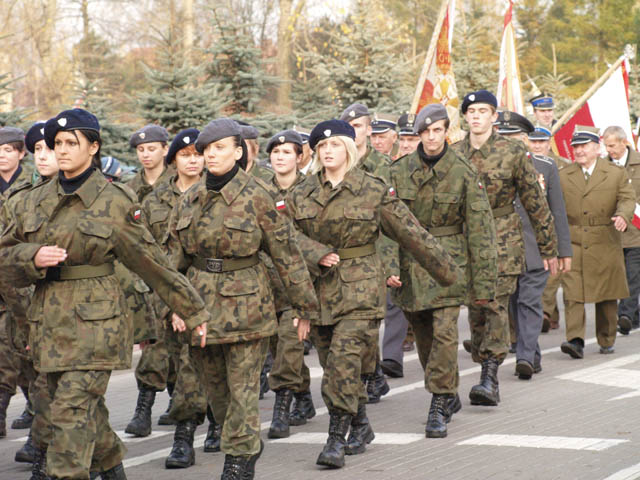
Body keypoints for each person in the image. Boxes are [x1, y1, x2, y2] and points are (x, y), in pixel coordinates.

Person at [0, 108, 212, 480]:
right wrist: (31, 256)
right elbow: (4, 256)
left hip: (96, 327)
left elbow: (152, 263)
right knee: (83, 413)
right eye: (57, 143)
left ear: (93, 147)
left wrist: (193, 311)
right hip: (48, 322)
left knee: (69, 413)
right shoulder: (31, 200)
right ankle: (112, 467)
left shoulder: (114, 201)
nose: (62, 150)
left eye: (71, 143)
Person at [287, 119, 461, 468]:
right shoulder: (300, 193)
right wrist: (313, 255)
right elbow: (284, 239)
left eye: (335, 145)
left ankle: (335, 438)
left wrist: (450, 274)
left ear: (348, 149)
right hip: (319, 291)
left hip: (361, 290)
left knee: (343, 363)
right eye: (322, 147)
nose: (328, 151)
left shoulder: (372, 189)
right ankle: (361, 424)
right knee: (332, 364)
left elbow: (410, 232)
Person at [168, 118, 319, 480]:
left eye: (220, 148)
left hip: (248, 308)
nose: (211, 155)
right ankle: (244, 442)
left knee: (243, 392)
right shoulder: (190, 199)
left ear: (238, 152)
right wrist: (175, 305)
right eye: (207, 149)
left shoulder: (258, 196)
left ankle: (238, 463)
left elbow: (287, 255)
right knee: (217, 394)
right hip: (202, 309)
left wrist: (304, 308)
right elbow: (172, 261)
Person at [388, 104, 497, 437]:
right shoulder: (399, 171)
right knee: (425, 339)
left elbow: (480, 229)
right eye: (426, 132)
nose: (432, 137)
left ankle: (438, 402)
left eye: (437, 131)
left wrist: (484, 285)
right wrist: (389, 265)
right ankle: (447, 391)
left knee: (445, 334)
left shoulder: (463, 171)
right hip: (412, 265)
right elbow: (386, 223)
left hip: (448, 265)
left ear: (446, 132)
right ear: (418, 135)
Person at [452, 90, 558, 406]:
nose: (476, 117)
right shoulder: (454, 154)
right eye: (471, 111)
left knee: (496, 305)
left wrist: (548, 247)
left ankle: (489, 376)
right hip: (467, 242)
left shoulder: (512, 152)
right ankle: (484, 359)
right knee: (476, 310)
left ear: (493, 116)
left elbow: (535, 202)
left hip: (503, 239)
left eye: (482, 111)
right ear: (465, 117)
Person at [139, 127, 212, 469]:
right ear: (173, 160)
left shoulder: (214, 194)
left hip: (207, 291)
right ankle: (189, 424)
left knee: (198, 365)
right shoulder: (153, 201)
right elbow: (145, 250)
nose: (193, 161)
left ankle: (193, 432)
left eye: (198, 155)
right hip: (165, 293)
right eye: (185, 155)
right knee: (175, 365)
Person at [495, 111, 572, 379]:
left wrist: (563, 251)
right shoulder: (491, 167)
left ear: (526, 139)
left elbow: (557, 211)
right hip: (504, 249)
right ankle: (532, 353)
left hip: (536, 247)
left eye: (515, 137)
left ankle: (525, 357)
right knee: (514, 303)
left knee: (528, 302)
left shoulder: (545, 166)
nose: (509, 142)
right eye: (503, 136)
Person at [559, 125, 635, 358]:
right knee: (572, 293)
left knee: (606, 294)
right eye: (575, 147)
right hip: (573, 241)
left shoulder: (615, 173)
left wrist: (623, 216)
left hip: (605, 240)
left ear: (596, 148)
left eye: (584, 146)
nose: (579, 151)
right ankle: (575, 340)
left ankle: (606, 338)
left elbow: (627, 199)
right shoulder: (563, 175)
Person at [260, 130, 316, 439]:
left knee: (290, 344)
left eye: (287, 152)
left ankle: (281, 409)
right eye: (276, 152)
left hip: (299, 284)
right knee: (279, 347)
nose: (280, 157)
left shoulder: (311, 190)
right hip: (267, 285)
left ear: (299, 157)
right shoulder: (258, 191)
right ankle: (303, 396)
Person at [124, 124, 175, 438]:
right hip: (144, 278)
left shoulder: (179, 182)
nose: (145, 154)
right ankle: (144, 409)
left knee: (180, 349)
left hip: (177, 274)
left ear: (165, 149)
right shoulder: (129, 189)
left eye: (152, 148)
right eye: (141, 150)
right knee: (154, 345)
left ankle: (182, 404)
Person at [338, 103, 390, 402]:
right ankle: (372, 373)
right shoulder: (339, 164)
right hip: (346, 256)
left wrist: (391, 264)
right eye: (349, 126)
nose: (353, 131)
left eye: (358, 126)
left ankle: (371, 374)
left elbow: (394, 220)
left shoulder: (383, 166)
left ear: (369, 130)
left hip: (376, 253)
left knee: (369, 321)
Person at [380, 112, 420, 379]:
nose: (406, 145)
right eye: (403, 139)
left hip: (425, 246)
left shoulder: (433, 169)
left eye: (412, 139)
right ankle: (392, 358)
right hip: (395, 242)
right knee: (393, 300)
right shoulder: (390, 169)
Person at [0, 126, 33, 440]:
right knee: (2, 349)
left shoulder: (34, 185)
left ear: (21, 153)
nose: (1, 156)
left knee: (26, 347)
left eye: (8, 150)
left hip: (24, 283)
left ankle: (37, 407)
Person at [603, 126, 640, 335]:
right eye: (606, 146)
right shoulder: (603, 166)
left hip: (636, 231)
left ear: (624, 142)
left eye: (612, 145)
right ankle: (634, 314)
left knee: (633, 275)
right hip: (612, 232)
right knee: (617, 275)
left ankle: (625, 315)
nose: (609, 150)